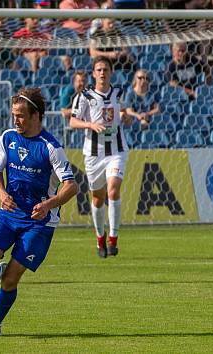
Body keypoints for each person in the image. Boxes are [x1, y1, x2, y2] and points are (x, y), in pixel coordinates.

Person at [0, 87, 77, 336]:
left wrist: (48, 204)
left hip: (38, 223)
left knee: (12, 279)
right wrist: (1, 194)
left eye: (20, 115)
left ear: (36, 116)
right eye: (14, 115)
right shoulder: (8, 137)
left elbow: (71, 185)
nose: (16, 120)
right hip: (9, 215)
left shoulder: (50, 147)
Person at [69, 56, 129, 259]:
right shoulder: (84, 96)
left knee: (113, 190)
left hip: (117, 150)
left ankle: (113, 239)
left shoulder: (119, 94)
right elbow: (73, 122)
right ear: (94, 73)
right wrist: (90, 125)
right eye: (99, 69)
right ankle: (99, 237)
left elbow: (126, 114)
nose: (102, 73)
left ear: (111, 72)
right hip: (94, 153)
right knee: (98, 197)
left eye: (105, 69)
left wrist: (128, 117)